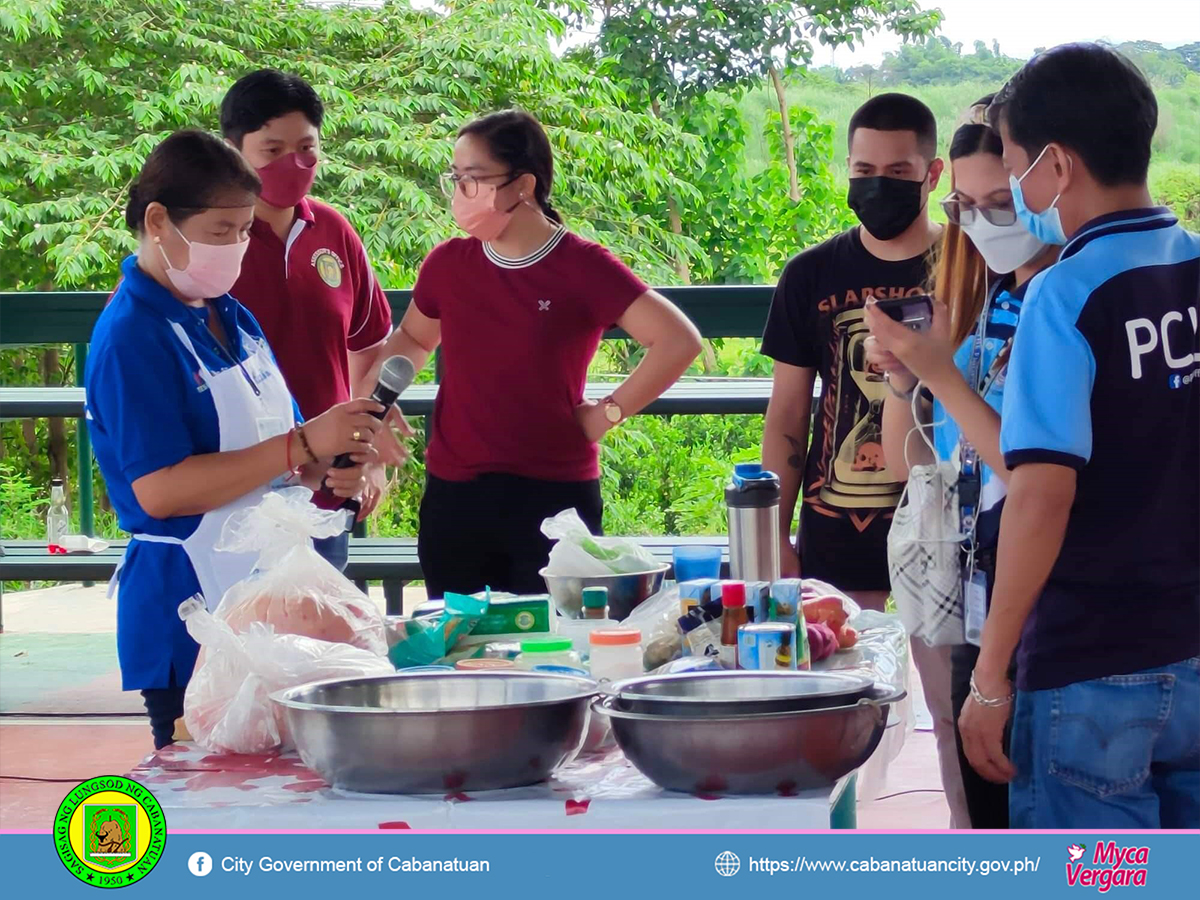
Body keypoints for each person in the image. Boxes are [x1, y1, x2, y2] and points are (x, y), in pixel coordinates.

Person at [958, 43, 1199, 828]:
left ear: (1056, 166)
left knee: (1096, 880)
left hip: (1096, 665)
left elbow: (1039, 499)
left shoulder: (1064, 297)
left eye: (1018, 166)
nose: (1018, 192)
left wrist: (991, 676)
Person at [85, 130, 383, 749]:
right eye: (223, 232)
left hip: (270, 597)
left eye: (246, 232)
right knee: (215, 793)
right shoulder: (132, 336)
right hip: (191, 606)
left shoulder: (228, 313)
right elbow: (161, 490)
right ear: (159, 221)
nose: (239, 248)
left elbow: (276, 447)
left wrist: (326, 468)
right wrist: (301, 447)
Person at [371, 110, 702, 598]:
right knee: (463, 652)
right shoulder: (448, 263)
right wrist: (379, 400)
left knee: (558, 649)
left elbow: (678, 340)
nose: (461, 192)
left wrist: (606, 414)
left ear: (523, 185)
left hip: (552, 496)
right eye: (456, 179)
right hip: (455, 494)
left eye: (475, 179)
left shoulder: (582, 265)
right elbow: (414, 339)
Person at [760, 94, 966, 827]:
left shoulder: (966, 269)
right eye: (864, 169)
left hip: (947, 528)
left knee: (950, 715)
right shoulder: (810, 274)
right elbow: (788, 412)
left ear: (933, 171)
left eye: (899, 169)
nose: (878, 183)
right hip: (833, 525)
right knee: (829, 714)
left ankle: (968, 846)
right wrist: (774, 538)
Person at [865, 97, 1059, 828]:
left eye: (999, 203)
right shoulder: (972, 301)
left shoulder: (1066, 303)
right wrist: (905, 375)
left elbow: (1033, 474)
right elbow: (909, 464)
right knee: (977, 788)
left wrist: (940, 375)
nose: (982, 223)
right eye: (965, 206)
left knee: (1036, 801)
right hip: (964, 582)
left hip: (1035, 596)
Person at [220, 69, 402, 572]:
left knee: (318, 637)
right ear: (233, 149)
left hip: (327, 489)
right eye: (272, 149)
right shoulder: (209, 240)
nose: (292, 164)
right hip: (234, 497)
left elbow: (370, 349)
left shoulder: (335, 232)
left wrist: (365, 458)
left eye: (306, 147)